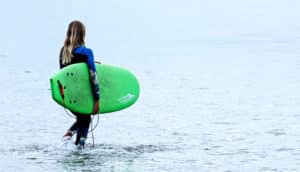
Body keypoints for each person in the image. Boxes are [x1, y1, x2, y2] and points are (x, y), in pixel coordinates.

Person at [59, 20, 100, 149]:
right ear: (83, 34)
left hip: (69, 96)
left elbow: (65, 74)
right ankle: (79, 147)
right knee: (86, 118)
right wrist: (97, 98)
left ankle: (70, 136)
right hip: (83, 95)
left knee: (84, 118)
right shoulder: (86, 52)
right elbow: (93, 76)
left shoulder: (63, 52)